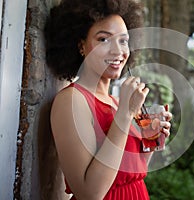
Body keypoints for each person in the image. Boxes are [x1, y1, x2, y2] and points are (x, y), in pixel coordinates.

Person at [44, 0, 172, 199]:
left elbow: (129, 173)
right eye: (104, 39)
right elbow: (90, 193)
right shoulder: (71, 101)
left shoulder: (115, 102)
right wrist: (125, 114)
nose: (118, 51)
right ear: (81, 46)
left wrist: (150, 139)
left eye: (123, 40)